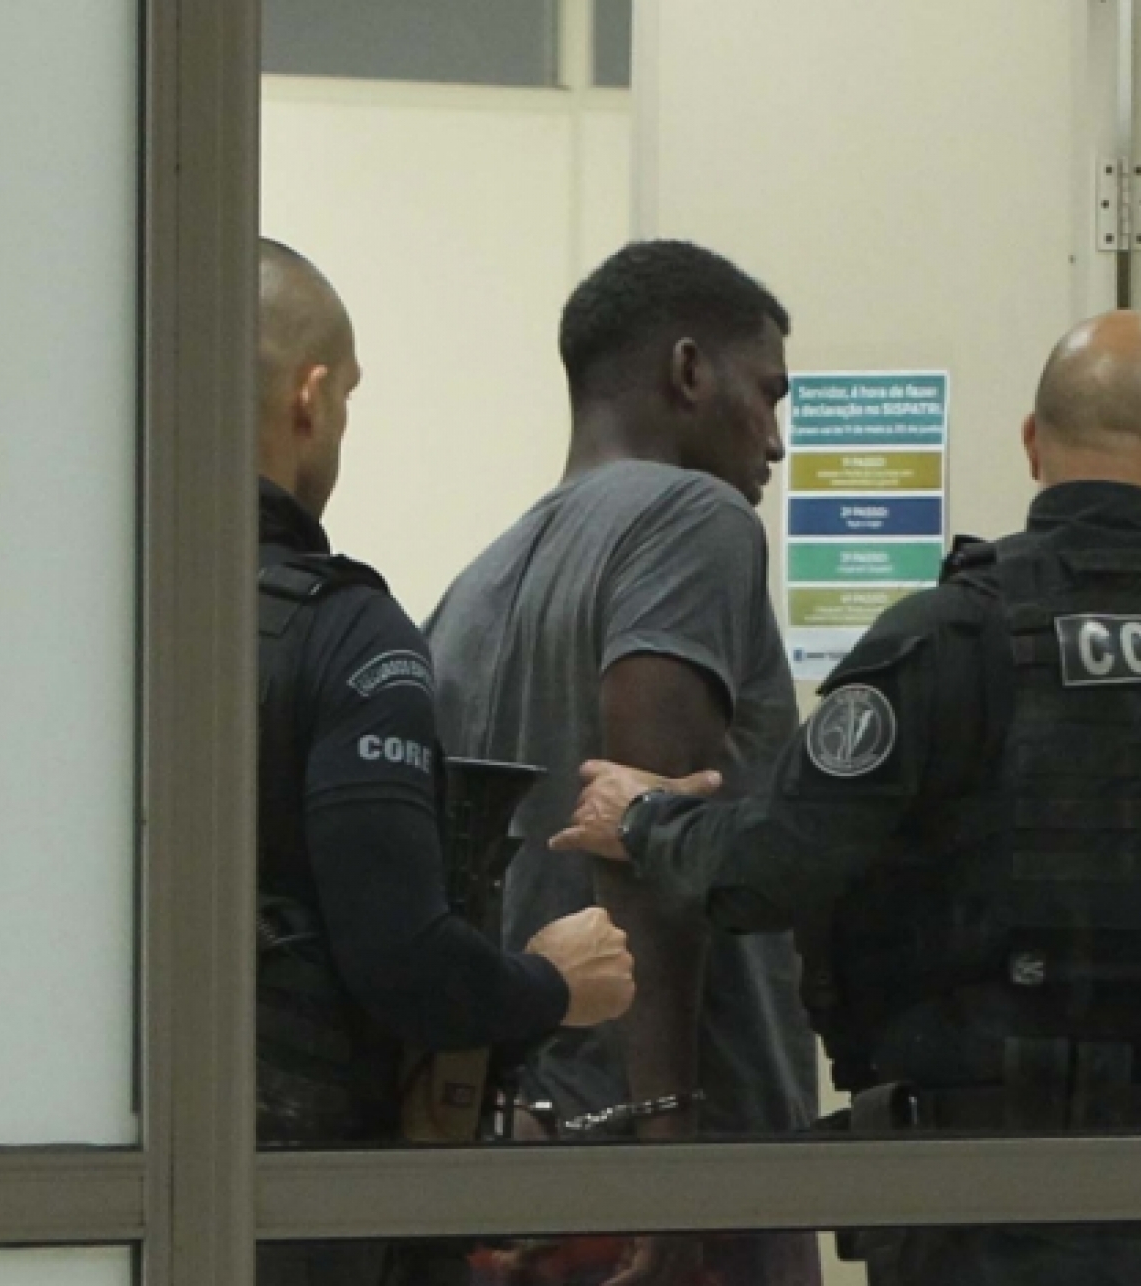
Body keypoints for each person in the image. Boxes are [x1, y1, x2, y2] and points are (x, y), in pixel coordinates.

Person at [552, 311, 1141, 1286]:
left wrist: (645, 819)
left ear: (1033, 445)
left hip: (986, 1208)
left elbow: (774, 864)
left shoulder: (946, 643)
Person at [425, 240, 821, 1286]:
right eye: (767, 393)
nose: (776, 440)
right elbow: (642, 835)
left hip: (524, 1157)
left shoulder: (471, 591)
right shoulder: (694, 520)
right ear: (689, 370)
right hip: (677, 1172)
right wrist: (666, 1159)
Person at [253, 240, 636, 1286]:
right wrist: (553, 984)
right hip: (301, 1208)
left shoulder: (80, 612)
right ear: (310, 398)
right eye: (347, 401)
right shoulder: (342, 631)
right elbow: (403, 960)